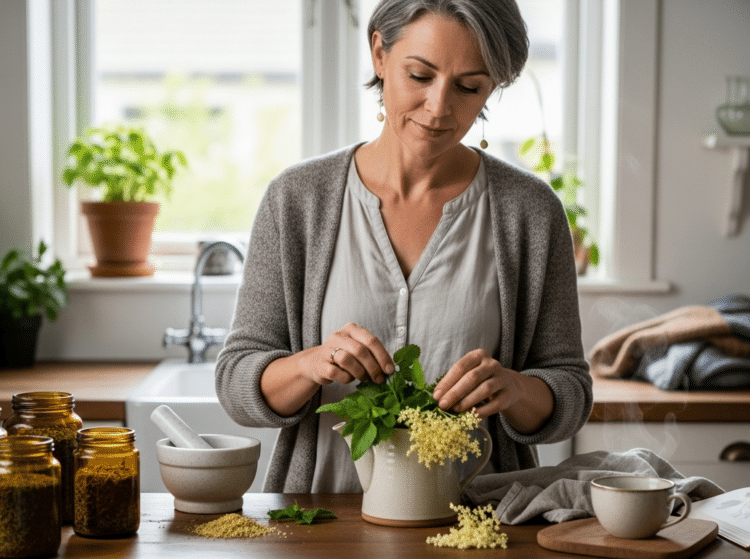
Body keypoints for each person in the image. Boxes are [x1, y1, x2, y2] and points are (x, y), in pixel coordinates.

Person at [216, 0, 592, 493]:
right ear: (379, 54)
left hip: (480, 523)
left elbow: (571, 392)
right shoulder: (297, 200)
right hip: (324, 522)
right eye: (420, 75)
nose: (439, 108)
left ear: (492, 87)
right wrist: (309, 365)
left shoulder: (531, 211)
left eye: (469, 87)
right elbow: (235, 383)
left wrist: (517, 389)